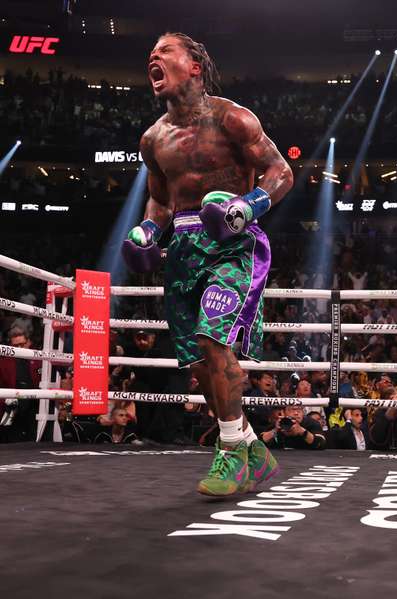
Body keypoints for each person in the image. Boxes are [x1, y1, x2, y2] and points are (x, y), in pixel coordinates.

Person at [120, 33, 293, 496]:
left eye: (165, 50)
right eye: (151, 53)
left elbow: (282, 172)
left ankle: (231, 450)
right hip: (182, 247)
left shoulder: (232, 118)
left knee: (211, 338)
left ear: (194, 65)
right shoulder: (153, 138)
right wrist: (147, 232)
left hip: (233, 241)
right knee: (198, 362)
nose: (152, 56)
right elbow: (160, 202)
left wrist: (248, 207)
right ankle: (253, 447)